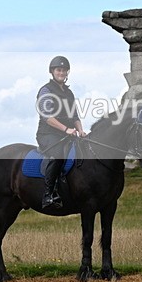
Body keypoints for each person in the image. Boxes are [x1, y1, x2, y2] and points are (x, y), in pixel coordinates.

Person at [35, 56, 85, 209]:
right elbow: (47, 117)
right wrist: (66, 129)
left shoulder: (69, 93)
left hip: (67, 135)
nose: (61, 72)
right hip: (48, 134)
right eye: (58, 70)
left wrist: (81, 130)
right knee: (58, 155)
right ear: (52, 71)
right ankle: (48, 195)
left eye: (64, 70)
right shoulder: (46, 90)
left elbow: (74, 116)